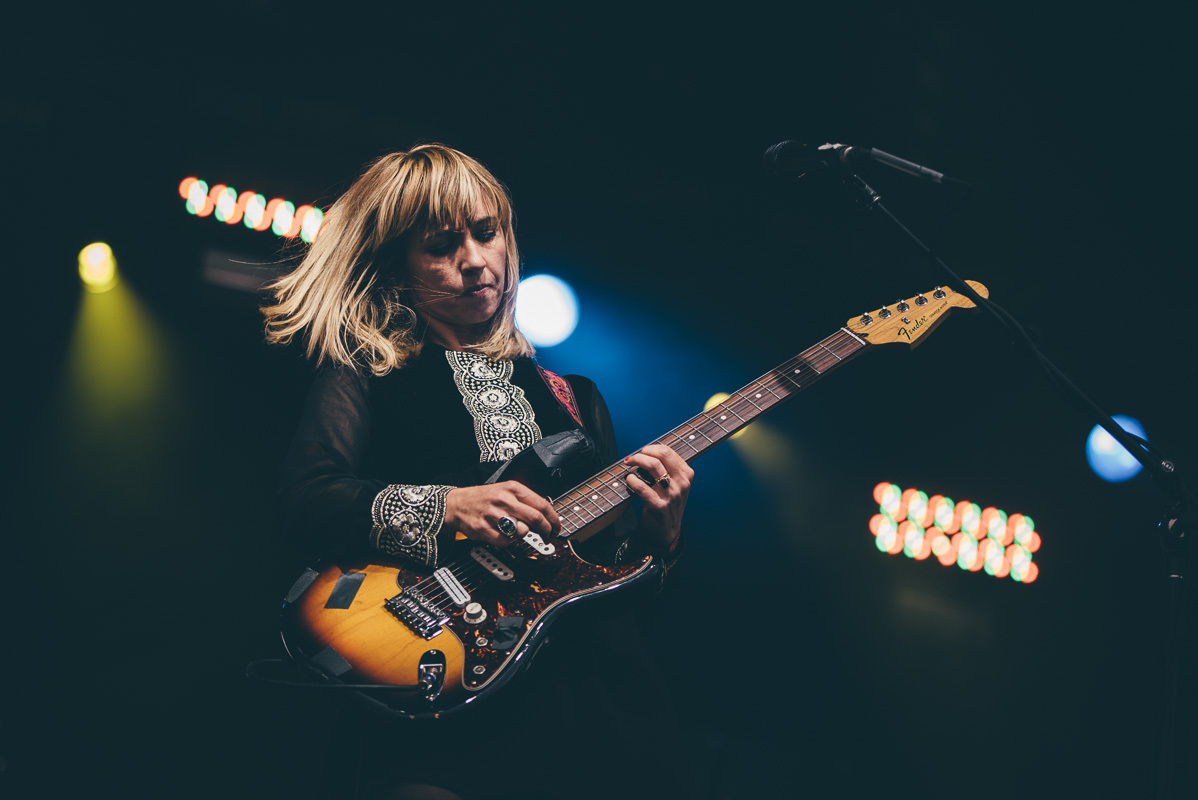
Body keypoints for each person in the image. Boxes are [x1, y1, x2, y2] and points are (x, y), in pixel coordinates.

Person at [263, 144, 695, 800]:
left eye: (487, 233)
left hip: (592, 716)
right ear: (398, 266)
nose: (474, 259)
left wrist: (660, 539)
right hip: (442, 700)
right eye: (441, 246)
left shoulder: (576, 398)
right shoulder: (369, 372)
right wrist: (449, 506)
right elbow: (306, 499)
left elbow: (610, 589)